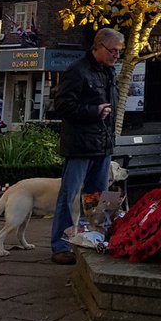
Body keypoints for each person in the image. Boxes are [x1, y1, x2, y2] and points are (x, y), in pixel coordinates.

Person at [49, 27, 123, 265]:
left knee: (98, 197)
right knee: (69, 196)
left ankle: (96, 237)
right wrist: (94, 111)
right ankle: (60, 245)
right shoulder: (78, 71)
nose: (116, 56)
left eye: (119, 51)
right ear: (97, 47)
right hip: (80, 145)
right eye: (113, 50)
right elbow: (61, 105)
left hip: (102, 145)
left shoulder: (108, 73)